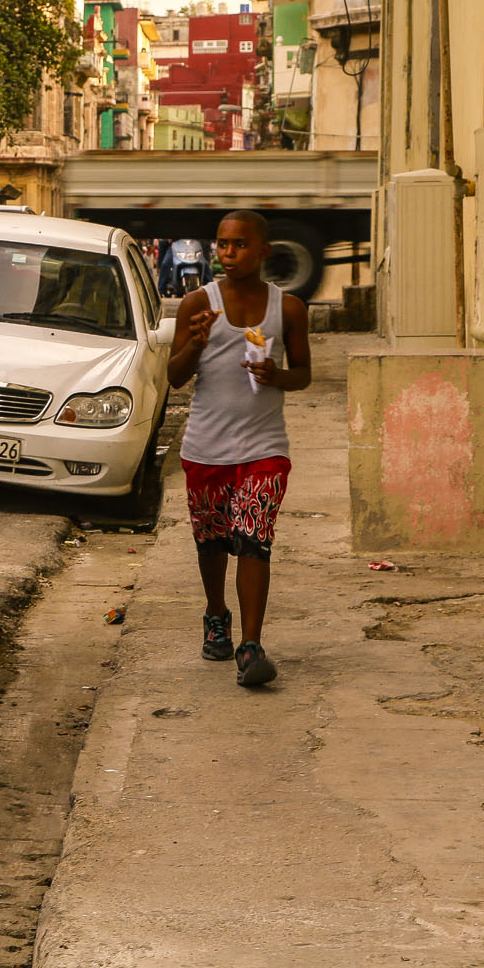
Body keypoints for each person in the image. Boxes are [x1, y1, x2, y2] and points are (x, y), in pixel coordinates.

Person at [167, 210, 311, 687]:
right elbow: (174, 376)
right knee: (211, 543)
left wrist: (277, 376)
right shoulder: (195, 304)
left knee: (253, 538)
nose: (229, 253)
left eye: (240, 244)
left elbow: (303, 375)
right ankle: (215, 614)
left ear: (264, 251)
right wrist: (196, 343)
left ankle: (251, 646)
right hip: (206, 447)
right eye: (223, 245)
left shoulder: (287, 308)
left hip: (265, 447)